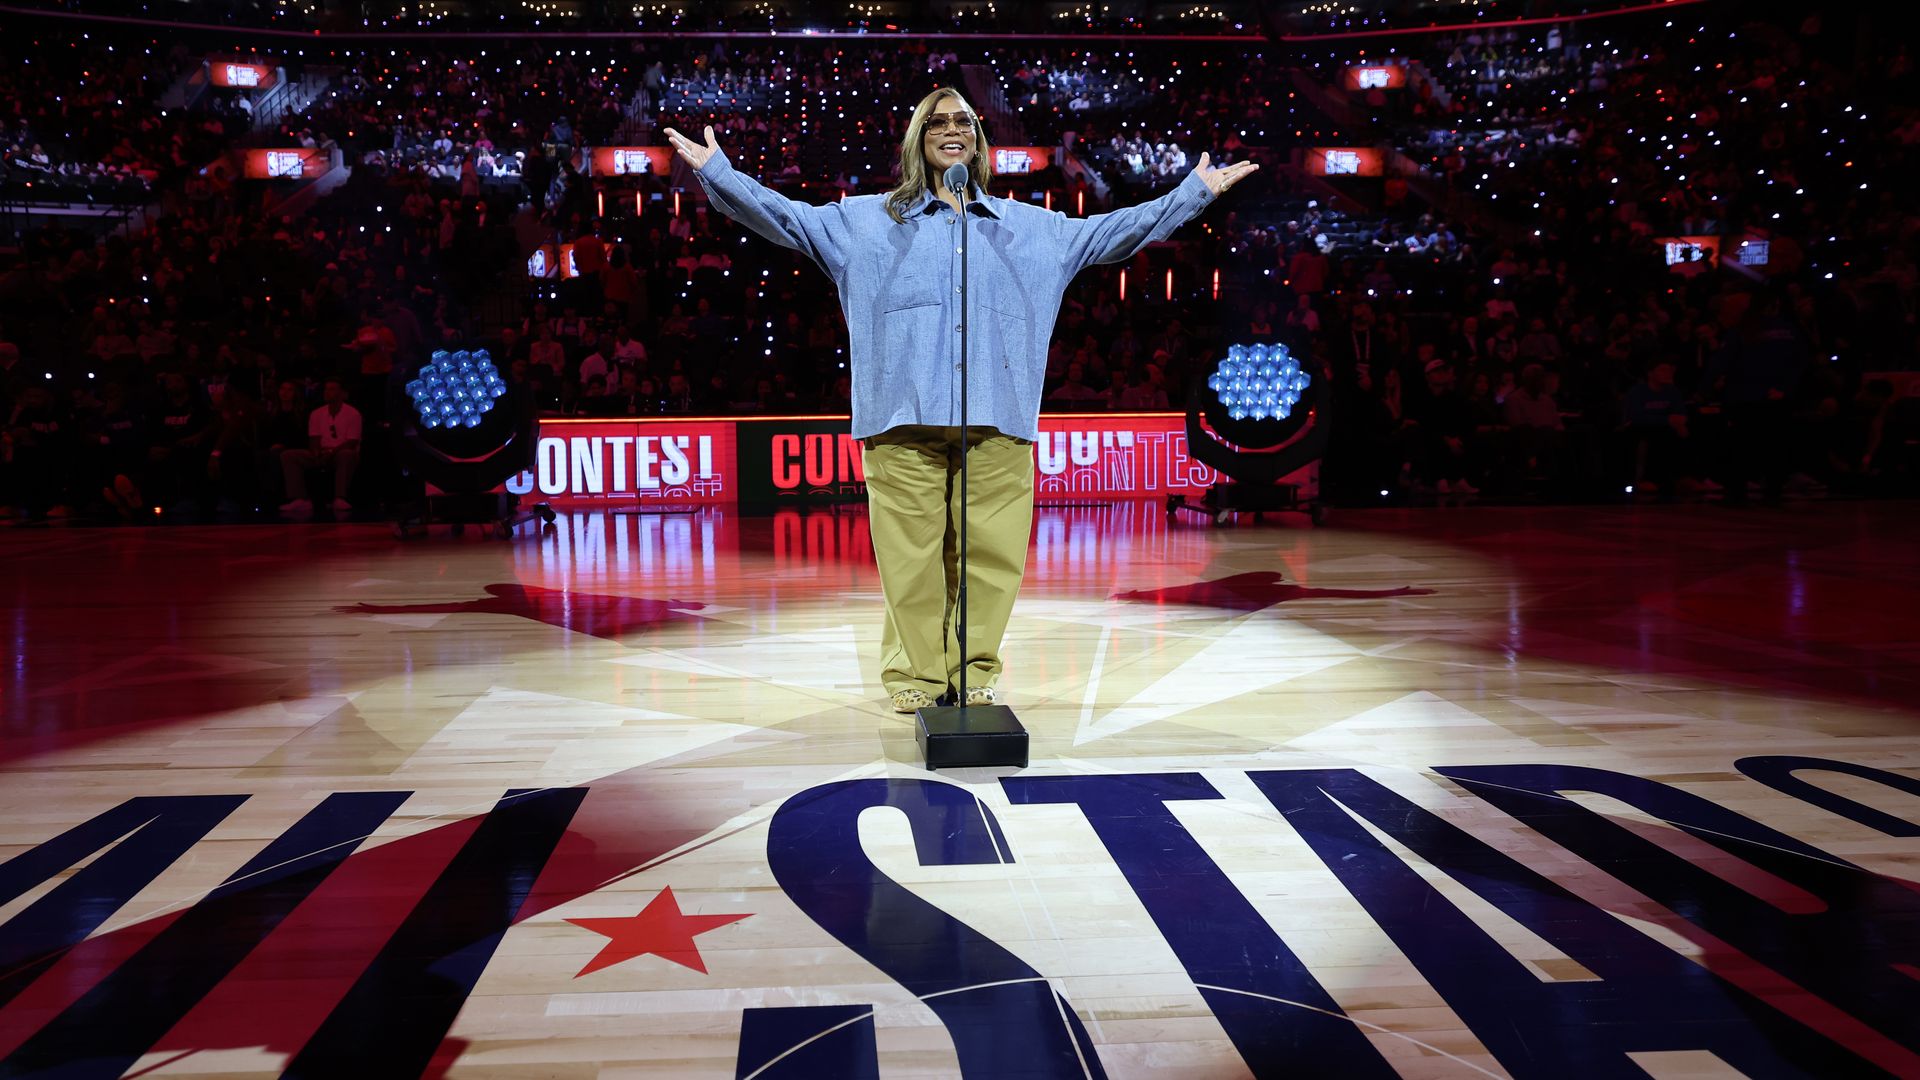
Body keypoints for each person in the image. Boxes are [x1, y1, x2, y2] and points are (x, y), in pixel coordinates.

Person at [667, 85, 1256, 712]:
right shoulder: (863, 223)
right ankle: (919, 681)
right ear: (918, 140)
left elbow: (1120, 232)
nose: (952, 129)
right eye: (937, 122)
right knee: (911, 568)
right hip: (901, 425)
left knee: (990, 564)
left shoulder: (1034, 231)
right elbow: (783, 218)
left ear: (977, 139)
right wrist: (720, 175)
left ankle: (974, 668)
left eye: (964, 121)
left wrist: (1194, 193)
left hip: (998, 424)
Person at [280, 379, 362, 515]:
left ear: (342, 393)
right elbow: (314, 438)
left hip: (341, 452)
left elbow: (352, 442)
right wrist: (317, 452)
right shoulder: (316, 413)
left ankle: (340, 497)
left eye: (332, 389)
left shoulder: (353, 414)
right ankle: (300, 499)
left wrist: (332, 452)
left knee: (346, 454)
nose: (327, 392)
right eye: (326, 389)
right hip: (322, 451)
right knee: (288, 455)